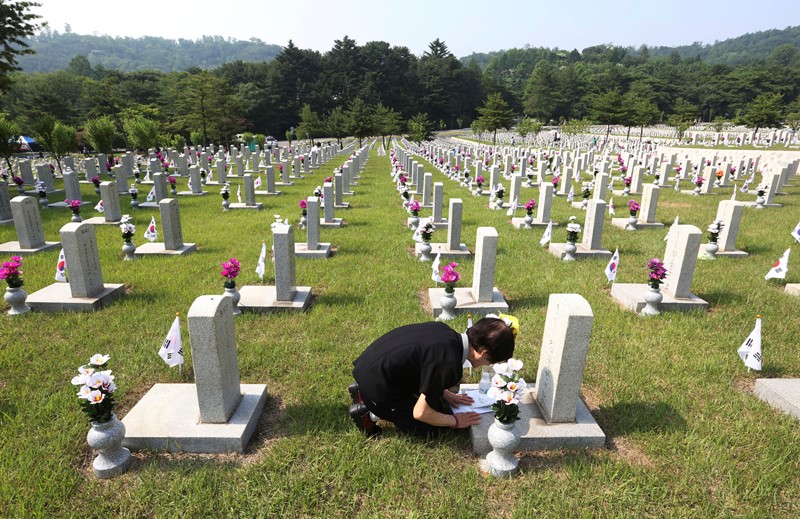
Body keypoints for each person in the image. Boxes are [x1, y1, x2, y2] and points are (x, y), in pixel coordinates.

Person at [348, 315, 517, 437]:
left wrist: (444, 392)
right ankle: (368, 412)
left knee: (439, 406)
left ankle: (362, 390)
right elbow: (420, 413)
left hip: (371, 367)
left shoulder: (445, 331)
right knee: (432, 430)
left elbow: (423, 365)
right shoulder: (450, 364)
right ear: (483, 352)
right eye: (491, 361)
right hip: (378, 387)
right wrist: (456, 421)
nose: (488, 365)